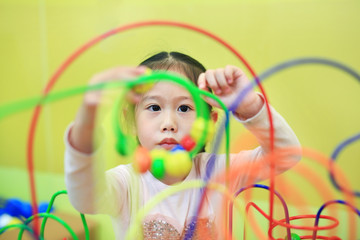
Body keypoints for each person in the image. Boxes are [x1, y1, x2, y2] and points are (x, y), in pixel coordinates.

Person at [64, 51, 300, 239]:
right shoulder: (127, 184)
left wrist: (249, 106)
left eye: (184, 108)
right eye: (154, 107)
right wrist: (86, 123)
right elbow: (85, 197)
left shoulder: (219, 172)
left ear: (210, 121)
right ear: (131, 120)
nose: (169, 124)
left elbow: (285, 155)